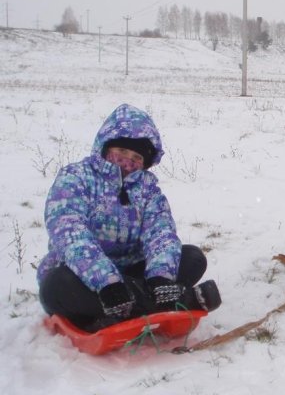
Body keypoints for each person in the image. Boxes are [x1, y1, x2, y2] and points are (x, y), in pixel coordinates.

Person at [37, 103, 221, 332]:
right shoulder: (76, 177)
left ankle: (131, 303)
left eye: (136, 157)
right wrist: (107, 282)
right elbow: (68, 231)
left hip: (133, 270)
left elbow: (161, 233)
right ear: (105, 146)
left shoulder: (148, 191)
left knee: (192, 257)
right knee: (57, 285)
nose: (128, 161)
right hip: (82, 276)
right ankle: (173, 301)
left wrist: (160, 278)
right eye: (122, 151)